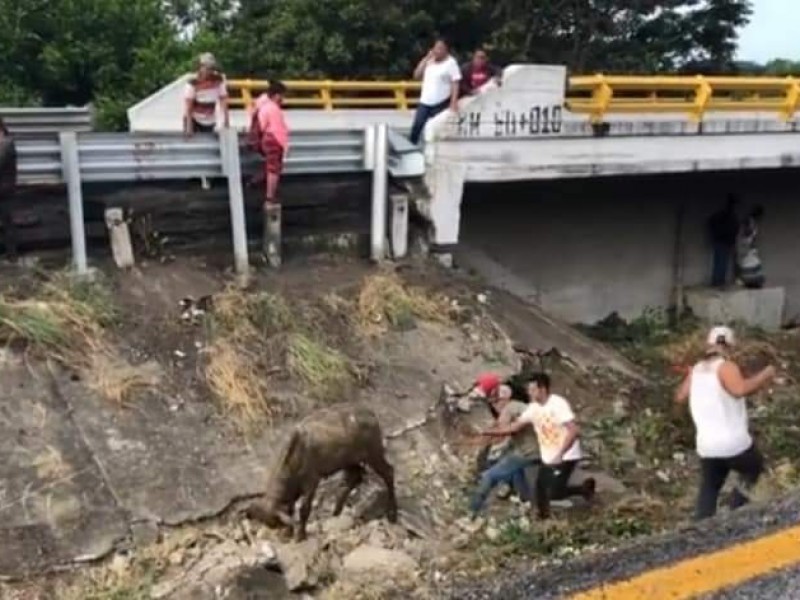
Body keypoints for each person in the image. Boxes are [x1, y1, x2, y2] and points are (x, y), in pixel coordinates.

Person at [674, 326, 774, 521]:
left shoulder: (696, 369)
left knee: (710, 486)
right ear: (729, 346)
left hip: (706, 446)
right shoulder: (725, 366)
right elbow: (739, 390)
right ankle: (736, 512)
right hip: (733, 443)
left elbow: (679, 397)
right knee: (753, 467)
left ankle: (700, 528)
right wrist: (765, 375)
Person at [479, 372, 595, 519]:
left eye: (532, 389)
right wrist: (491, 432)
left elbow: (573, 430)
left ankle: (576, 492)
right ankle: (544, 512)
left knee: (550, 490)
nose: (529, 392)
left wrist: (560, 453)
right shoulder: (530, 408)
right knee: (542, 487)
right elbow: (513, 427)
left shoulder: (552, 405)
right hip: (548, 450)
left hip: (562, 452)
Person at [469, 385, 537, 518]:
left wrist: (480, 437)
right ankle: (527, 502)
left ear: (501, 399)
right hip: (538, 448)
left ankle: (472, 512)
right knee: (516, 469)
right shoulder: (519, 406)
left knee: (489, 475)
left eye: (494, 402)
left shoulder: (510, 409)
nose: (494, 406)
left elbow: (502, 432)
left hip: (529, 451)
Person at [409, 38, 461, 146]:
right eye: (436, 48)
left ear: (446, 50)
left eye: (441, 48)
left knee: (435, 128)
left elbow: (455, 82)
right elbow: (416, 75)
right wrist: (425, 59)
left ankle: (435, 149)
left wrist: (453, 102)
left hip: (440, 102)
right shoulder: (429, 61)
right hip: (425, 101)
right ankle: (411, 146)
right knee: (417, 125)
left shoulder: (451, 63)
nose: (438, 51)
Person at [252, 81, 290, 208]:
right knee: (273, 169)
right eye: (282, 96)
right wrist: (283, 144)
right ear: (276, 95)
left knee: (271, 167)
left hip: (270, 139)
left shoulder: (263, 106)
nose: (283, 99)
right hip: (273, 140)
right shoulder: (271, 108)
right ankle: (270, 197)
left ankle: (259, 182)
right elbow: (273, 127)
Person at [183, 52, 230, 136]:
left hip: (210, 120)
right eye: (207, 68)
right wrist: (189, 127)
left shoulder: (218, 80)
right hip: (195, 120)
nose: (209, 71)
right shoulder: (193, 82)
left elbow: (224, 102)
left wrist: (226, 122)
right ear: (201, 67)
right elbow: (188, 107)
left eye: (211, 69)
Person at [706, 195, 740, 288]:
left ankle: (718, 281)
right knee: (721, 262)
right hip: (722, 241)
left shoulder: (726, 215)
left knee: (720, 262)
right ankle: (718, 281)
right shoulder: (726, 215)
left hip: (722, 241)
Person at [0, 119, 18, 259]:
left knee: (7, 222)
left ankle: (12, 254)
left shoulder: (5, 143)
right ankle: (11, 254)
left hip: (4, 188)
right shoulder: (7, 142)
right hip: (6, 187)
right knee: (7, 222)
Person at [735, 206, 765, 289]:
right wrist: (750, 242)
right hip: (745, 248)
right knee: (749, 265)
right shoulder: (749, 221)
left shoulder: (751, 221)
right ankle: (749, 283)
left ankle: (752, 283)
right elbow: (747, 234)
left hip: (748, 248)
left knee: (753, 265)